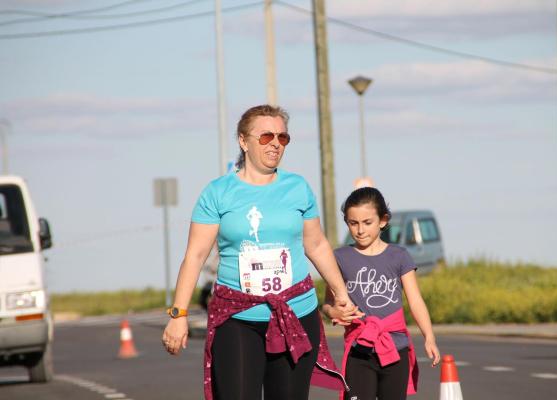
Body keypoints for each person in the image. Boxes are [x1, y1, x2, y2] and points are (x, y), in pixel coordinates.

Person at [161, 104, 362, 400]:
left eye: (283, 137)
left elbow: (316, 244)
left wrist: (341, 295)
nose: (276, 144)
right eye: (266, 136)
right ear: (243, 141)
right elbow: (195, 255)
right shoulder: (218, 193)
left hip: (296, 311)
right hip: (237, 316)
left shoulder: (297, 188)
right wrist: (178, 315)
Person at [322, 187, 441, 400]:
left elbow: (415, 301)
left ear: (383, 220)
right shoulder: (339, 257)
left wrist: (429, 336)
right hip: (359, 351)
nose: (360, 230)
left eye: (367, 222)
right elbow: (328, 303)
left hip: (396, 351)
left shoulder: (400, 256)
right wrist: (333, 313)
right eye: (353, 223)